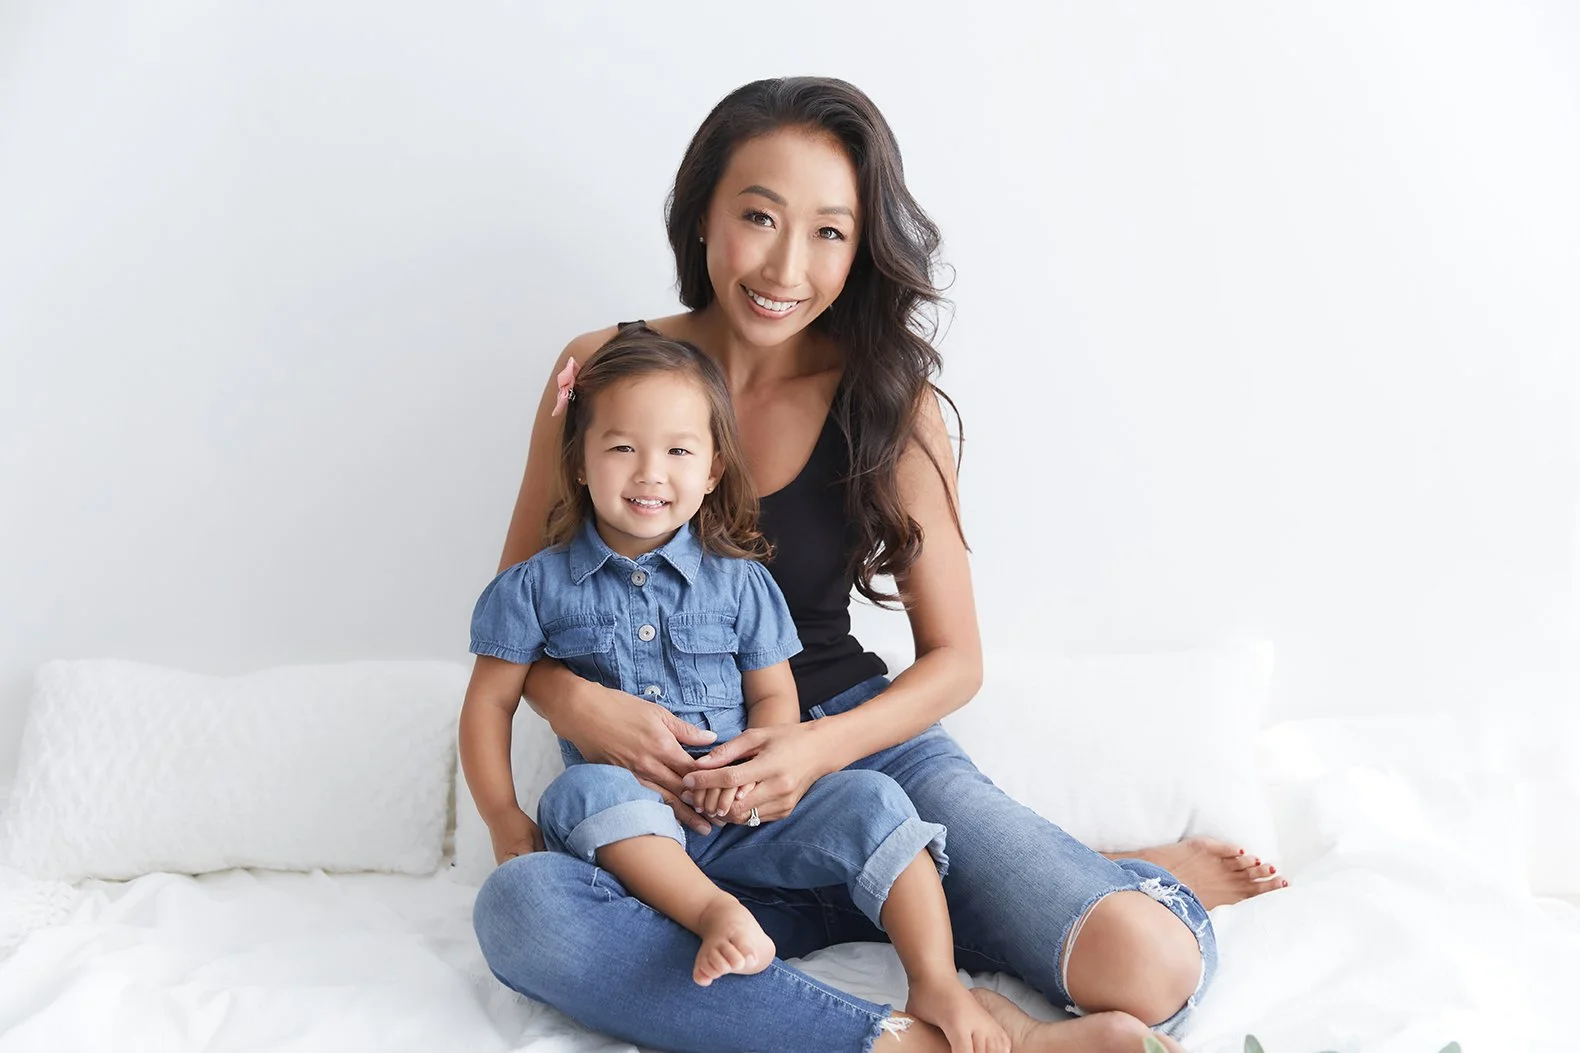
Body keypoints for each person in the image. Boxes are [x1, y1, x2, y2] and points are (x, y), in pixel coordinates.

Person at [473, 76, 1283, 1053]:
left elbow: (955, 661)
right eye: (758, 217)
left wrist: (809, 751)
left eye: (827, 231)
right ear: (700, 219)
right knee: (527, 910)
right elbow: (515, 611)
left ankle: (1077, 875)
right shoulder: (602, 370)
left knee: (1147, 969)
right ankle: (901, 1039)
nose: (784, 265)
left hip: (854, 755)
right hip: (662, 805)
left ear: (861, 248)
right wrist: (576, 706)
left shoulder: (889, 400)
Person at [459, 328, 1008, 1053]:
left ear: (714, 469)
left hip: (743, 812)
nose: (651, 473)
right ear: (581, 462)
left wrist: (761, 765)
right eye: (623, 447)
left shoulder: (742, 579)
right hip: (636, 834)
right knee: (576, 797)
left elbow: (775, 697)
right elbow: (488, 704)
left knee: (876, 799)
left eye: (679, 451)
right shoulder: (533, 586)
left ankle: (935, 978)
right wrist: (503, 816)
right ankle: (717, 914)